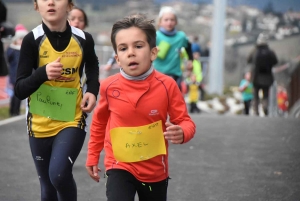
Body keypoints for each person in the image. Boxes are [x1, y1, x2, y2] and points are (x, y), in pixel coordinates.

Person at [86, 14, 196, 201]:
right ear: (117, 58)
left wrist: (183, 132)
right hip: (118, 164)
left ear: (153, 52)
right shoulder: (108, 86)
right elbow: (99, 122)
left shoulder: (167, 85)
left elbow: (185, 121)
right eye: (123, 48)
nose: (131, 53)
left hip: (154, 170)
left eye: (138, 46)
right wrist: (92, 155)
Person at [14, 0, 99, 200]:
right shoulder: (31, 40)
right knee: (47, 187)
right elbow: (19, 89)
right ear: (36, 6)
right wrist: (42, 73)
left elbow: (93, 67)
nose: (51, 2)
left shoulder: (84, 39)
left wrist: (93, 91)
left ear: (70, 5)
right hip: (39, 121)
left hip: (71, 117)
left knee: (59, 175)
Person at [153, 6, 193, 91]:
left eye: (172, 20)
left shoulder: (181, 36)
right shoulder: (156, 36)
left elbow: (188, 46)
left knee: (174, 100)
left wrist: (190, 60)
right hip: (158, 74)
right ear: (160, 22)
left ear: (176, 22)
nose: (169, 22)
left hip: (175, 74)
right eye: (166, 20)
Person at [247, 33, 278, 116]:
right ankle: (265, 107)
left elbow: (248, 60)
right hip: (267, 77)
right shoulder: (270, 52)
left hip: (256, 76)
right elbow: (275, 61)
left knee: (255, 95)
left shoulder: (254, 51)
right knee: (265, 94)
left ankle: (256, 111)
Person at [6, 24, 28, 116]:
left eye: (23, 39)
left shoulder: (25, 50)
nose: (21, 41)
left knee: (18, 94)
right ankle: (13, 111)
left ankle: (16, 111)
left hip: (22, 75)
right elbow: (7, 58)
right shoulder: (12, 49)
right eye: (20, 39)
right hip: (14, 74)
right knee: (15, 94)